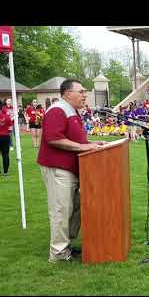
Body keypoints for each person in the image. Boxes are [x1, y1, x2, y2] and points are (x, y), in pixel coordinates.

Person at [37, 79, 107, 263]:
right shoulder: (57, 110)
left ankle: (66, 245)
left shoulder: (72, 111)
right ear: (68, 93)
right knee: (61, 210)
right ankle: (58, 253)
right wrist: (84, 148)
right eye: (81, 91)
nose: (85, 94)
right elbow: (54, 139)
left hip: (73, 168)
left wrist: (91, 144)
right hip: (58, 168)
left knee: (75, 208)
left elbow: (75, 139)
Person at [0, 101, 13, 176]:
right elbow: (10, 128)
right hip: (5, 136)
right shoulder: (6, 116)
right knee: (5, 154)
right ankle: (6, 172)